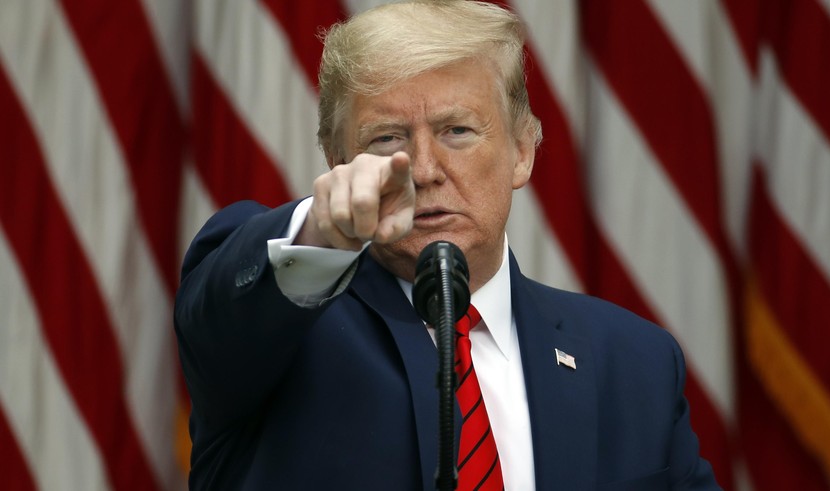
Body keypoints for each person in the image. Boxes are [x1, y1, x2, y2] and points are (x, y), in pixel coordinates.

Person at [174, 1, 722, 489]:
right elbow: (224, 315)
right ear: (339, 165)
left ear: (523, 151)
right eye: (386, 139)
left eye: (457, 130)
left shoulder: (635, 364)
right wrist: (322, 229)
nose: (425, 170)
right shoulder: (278, 328)